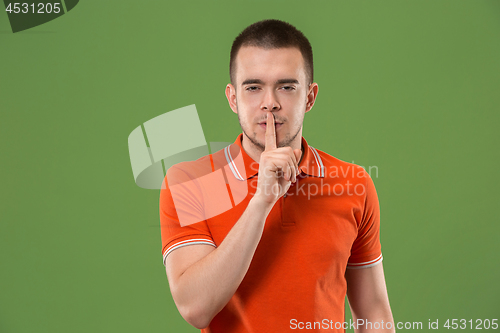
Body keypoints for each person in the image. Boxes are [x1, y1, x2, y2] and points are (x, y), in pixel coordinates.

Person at [160, 19, 395, 332]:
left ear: (309, 97)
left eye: (286, 87)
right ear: (233, 98)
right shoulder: (190, 182)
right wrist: (262, 201)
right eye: (253, 87)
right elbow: (195, 307)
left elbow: (374, 311)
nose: (269, 103)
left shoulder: (353, 183)